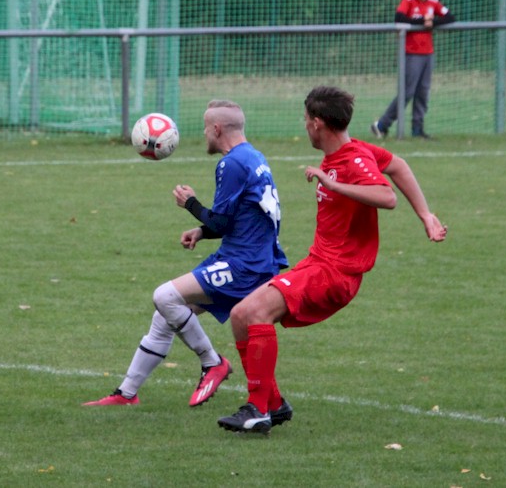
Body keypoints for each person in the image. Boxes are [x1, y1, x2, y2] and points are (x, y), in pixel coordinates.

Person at [218, 86, 447, 434]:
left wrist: (333, 184)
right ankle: (273, 404)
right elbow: (397, 166)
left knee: (256, 313)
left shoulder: (352, 160)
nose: (305, 125)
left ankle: (257, 408)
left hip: (335, 272)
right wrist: (426, 214)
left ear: (318, 123)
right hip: (318, 263)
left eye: (307, 119)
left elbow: (386, 196)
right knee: (239, 316)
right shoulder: (355, 150)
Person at [83, 100, 289, 407]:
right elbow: (234, 219)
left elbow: (220, 220)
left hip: (243, 264)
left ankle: (212, 362)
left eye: (206, 128)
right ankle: (126, 394)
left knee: (164, 296)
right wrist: (202, 232)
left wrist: (190, 204)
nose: (205, 134)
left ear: (217, 129)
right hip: (253, 257)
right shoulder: (253, 156)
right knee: (165, 315)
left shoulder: (231, 164)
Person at [371, 0, 455, 140]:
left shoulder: (433, 2)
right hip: (412, 54)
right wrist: (423, 22)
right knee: (407, 92)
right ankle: (381, 125)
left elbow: (450, 17)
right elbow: (399, 18)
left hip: (428, 54)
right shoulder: (408, 0)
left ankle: (417, 129)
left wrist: (433, 22)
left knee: (423, 92)